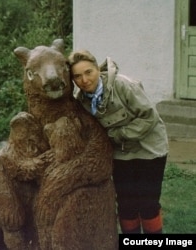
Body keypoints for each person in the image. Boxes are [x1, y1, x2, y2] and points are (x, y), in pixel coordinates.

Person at [68, 50, 169, 234]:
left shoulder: (122, 85)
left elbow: (149, 118)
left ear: (97, 69)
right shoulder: (81, 101)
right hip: (121, 153)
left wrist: (117, 135)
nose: (84, 80)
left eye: (88, 72)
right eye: (77, 76)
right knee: (126, 204)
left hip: (149, 148)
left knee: (148, 203)